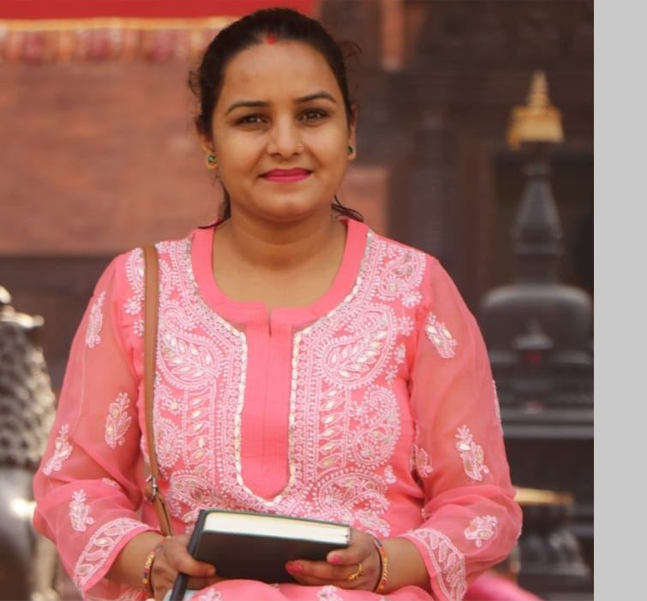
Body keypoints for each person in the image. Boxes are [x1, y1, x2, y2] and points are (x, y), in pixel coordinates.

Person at [32, 8, 521, 601]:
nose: (285, 144)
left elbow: (480, 503)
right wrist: (152, 559)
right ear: (208, 140)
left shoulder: (414, 289)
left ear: (350, 129)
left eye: (312, 115)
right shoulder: (139, 288)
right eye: (252, 120)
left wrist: (383, 564)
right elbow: (74, 486)